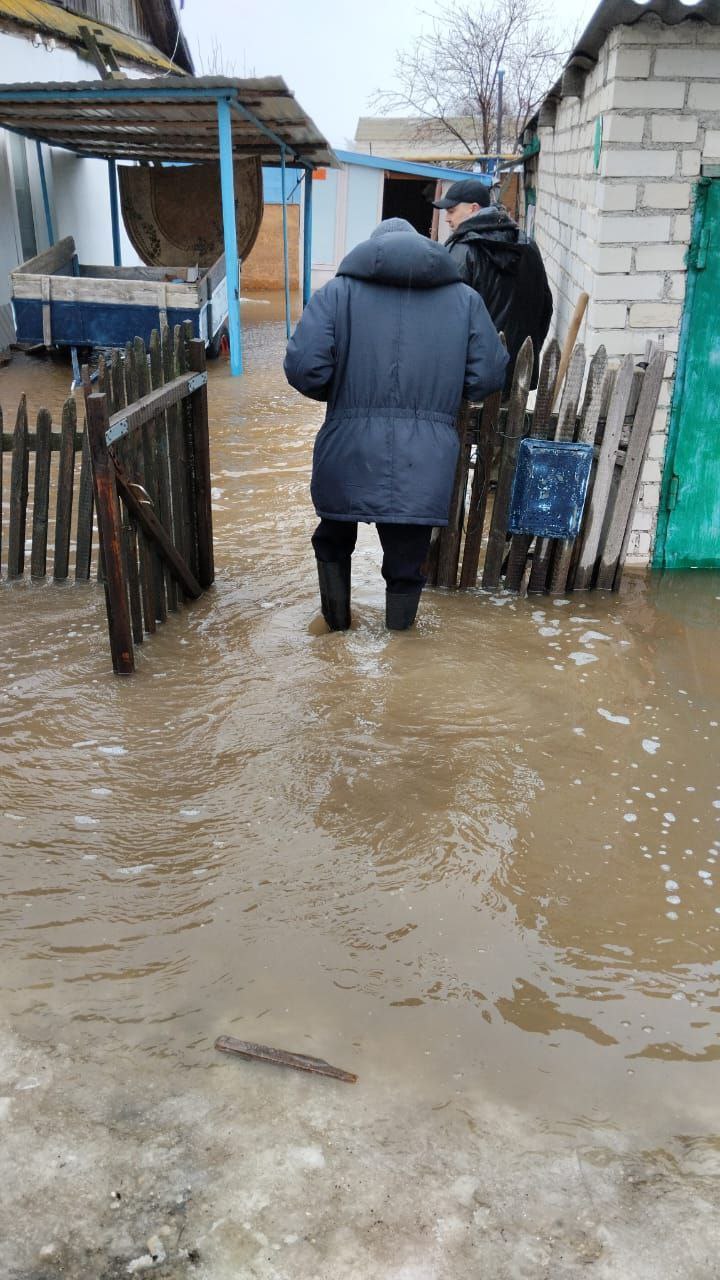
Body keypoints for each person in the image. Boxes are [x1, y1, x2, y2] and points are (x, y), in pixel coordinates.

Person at [284, 218, 508, 632]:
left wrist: (344, 397)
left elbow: (304, 368)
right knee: (407, 558)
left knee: (333, 539)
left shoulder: (335, 294)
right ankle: (401, 652)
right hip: (424, 459)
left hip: (347, 448)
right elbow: (488, 376)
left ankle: (336, 631)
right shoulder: (465, 301)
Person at [432, 177, 553, 394]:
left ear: (473, 208)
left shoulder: (462, 252)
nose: (447, 219)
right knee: (509, 428)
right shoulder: (528, 246)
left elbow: (444, 318)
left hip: (475, 380)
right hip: (519, 378)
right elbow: (545, 307)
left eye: (451, 211)